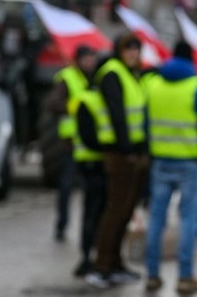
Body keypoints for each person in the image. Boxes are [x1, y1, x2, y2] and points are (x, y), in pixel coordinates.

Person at [143, 40, 197, 293]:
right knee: (188, 220)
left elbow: (145, 124)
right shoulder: (196, 87)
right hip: (191, 163)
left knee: (156, 219)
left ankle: (152, 274)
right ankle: (184, 276)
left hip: (161, 160)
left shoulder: (153, 85)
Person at [85, 32, 148, 289]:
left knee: (124, 210)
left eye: (136, 49)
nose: (133, 53)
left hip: (131, 152)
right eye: (128, 48)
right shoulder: (113, 73)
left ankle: (115, 263)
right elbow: (117, 114)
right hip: (120, 154)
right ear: (119, 51)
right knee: (115, 210)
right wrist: (127, 149)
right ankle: (102, 265)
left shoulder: (130, 75)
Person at [47, 45, 97, 242]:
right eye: (86, 58)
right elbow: (53, 105)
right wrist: (77, 107)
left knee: (88, 189)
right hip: (70, 142)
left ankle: (87, 229)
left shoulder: (95, 79)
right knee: (66, 186)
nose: (90, 62)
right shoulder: (67, 78)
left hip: (89, 144)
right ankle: (61, 225)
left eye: (92, 58)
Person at [70, 74, 109, 277]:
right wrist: (110, 147)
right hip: (90, 164)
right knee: (92, 213)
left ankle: (94, 256)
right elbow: (89, 137)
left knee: (98, 213)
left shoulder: (100, 98)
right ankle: (86, 257)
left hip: (100, 163)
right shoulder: (87, 100)